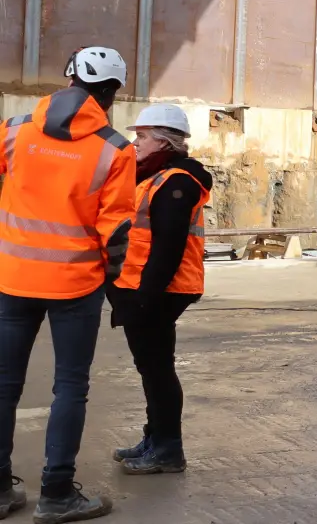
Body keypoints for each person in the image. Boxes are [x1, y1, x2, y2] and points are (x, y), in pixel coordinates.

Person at [0, 47, 137, 521]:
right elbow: (116, 232)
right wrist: (117, 284)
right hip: (76, 285)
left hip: (13, 277)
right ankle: (56, 495)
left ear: (69, 79)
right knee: (70, 387)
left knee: (3, 385)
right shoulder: (116, 148)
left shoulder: (15, 130)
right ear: (112, 92)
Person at [108, 103, 210, 476]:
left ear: (164, 141)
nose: (136, 144)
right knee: (152, 367)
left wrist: (144, 299)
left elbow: (168, 247)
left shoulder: (177, 181)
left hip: (161, 290)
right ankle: (156, 438)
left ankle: (167, 449)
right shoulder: (154, 176)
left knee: (157, 368)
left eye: (143, 137)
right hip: (144, 287)